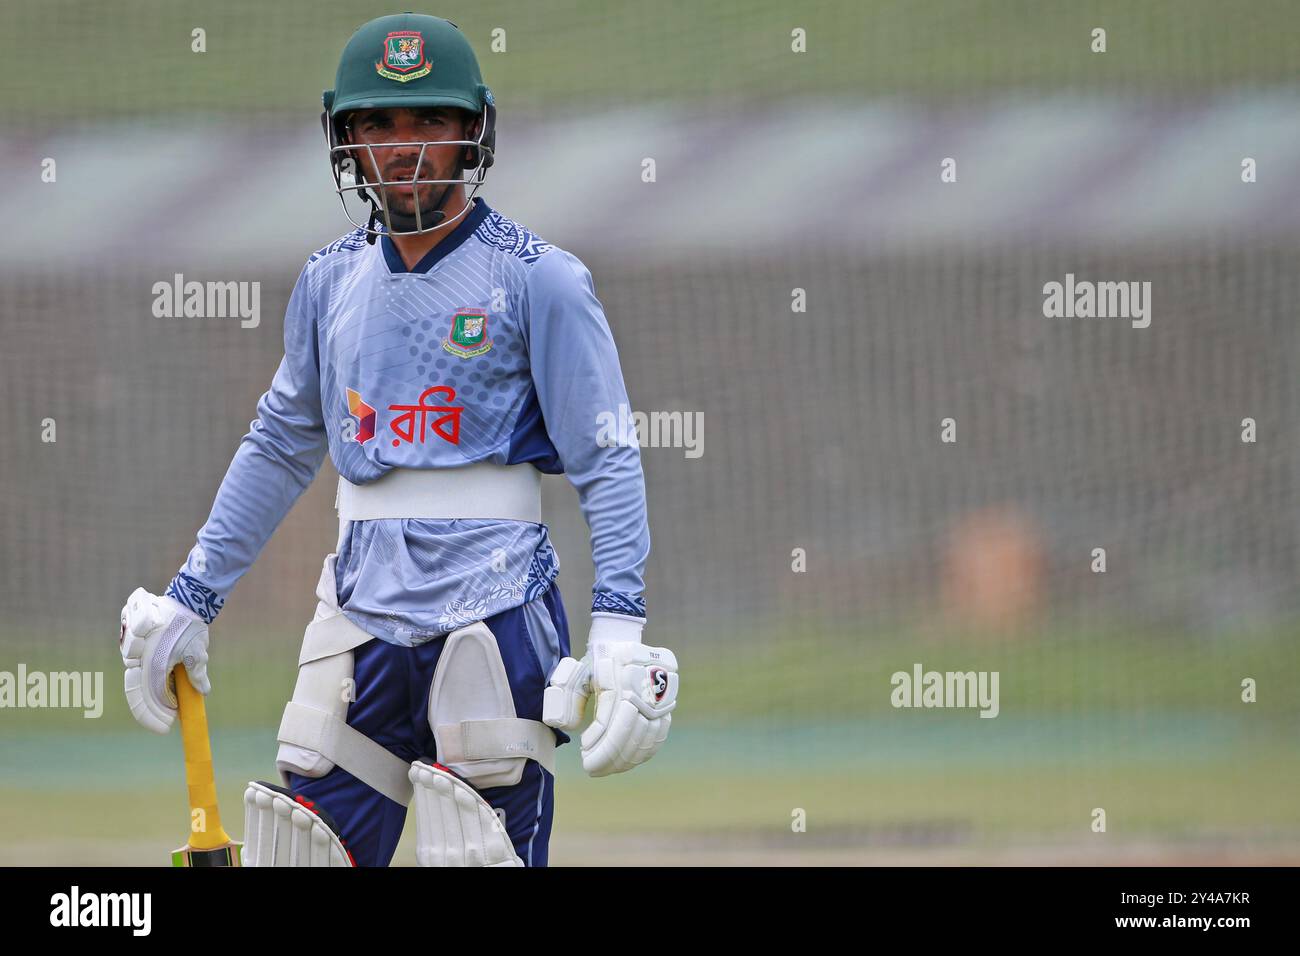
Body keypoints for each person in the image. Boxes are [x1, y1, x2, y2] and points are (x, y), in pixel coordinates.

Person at [117, 12, 678, 867]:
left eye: (430, 122)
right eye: (379, 124)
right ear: (346, 140)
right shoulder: (327, 279)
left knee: (474, 853)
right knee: (297, 854)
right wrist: (193, 596)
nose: (405, 147)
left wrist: (620, 625)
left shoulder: (540, 279)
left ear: (472, 133)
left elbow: (605, 456)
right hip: (356, 612)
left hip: (495, 610)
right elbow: (279, 443)